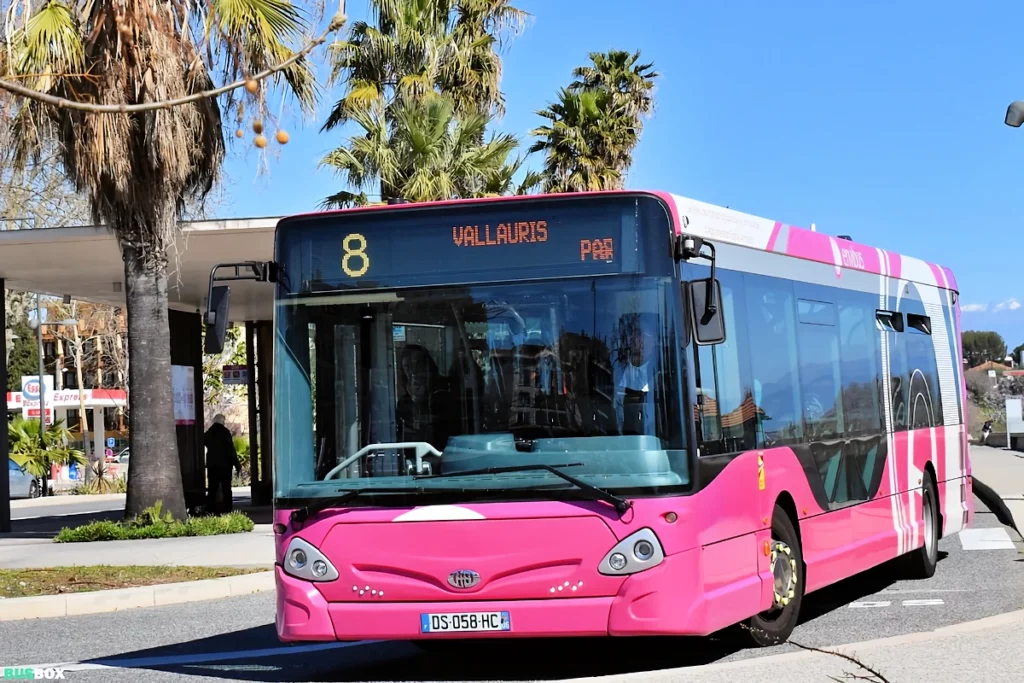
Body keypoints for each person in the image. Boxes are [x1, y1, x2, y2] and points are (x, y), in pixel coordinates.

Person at [613, 312, 660, 435]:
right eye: (632, 334)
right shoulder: (614, 371)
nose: (636, 339)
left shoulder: (664, 376)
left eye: (641, 334)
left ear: (654, 340)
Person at [204, 414, 240, 513]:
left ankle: (210, 509)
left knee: (212, 489)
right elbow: (231, 450)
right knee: (226, 488)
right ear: (221, 421)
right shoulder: (225, 432)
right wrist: (236, 464)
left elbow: (204, 442)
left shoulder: (209, 433)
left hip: (212, 465)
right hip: (225, 465)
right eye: (224, 420)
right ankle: (228, 509)